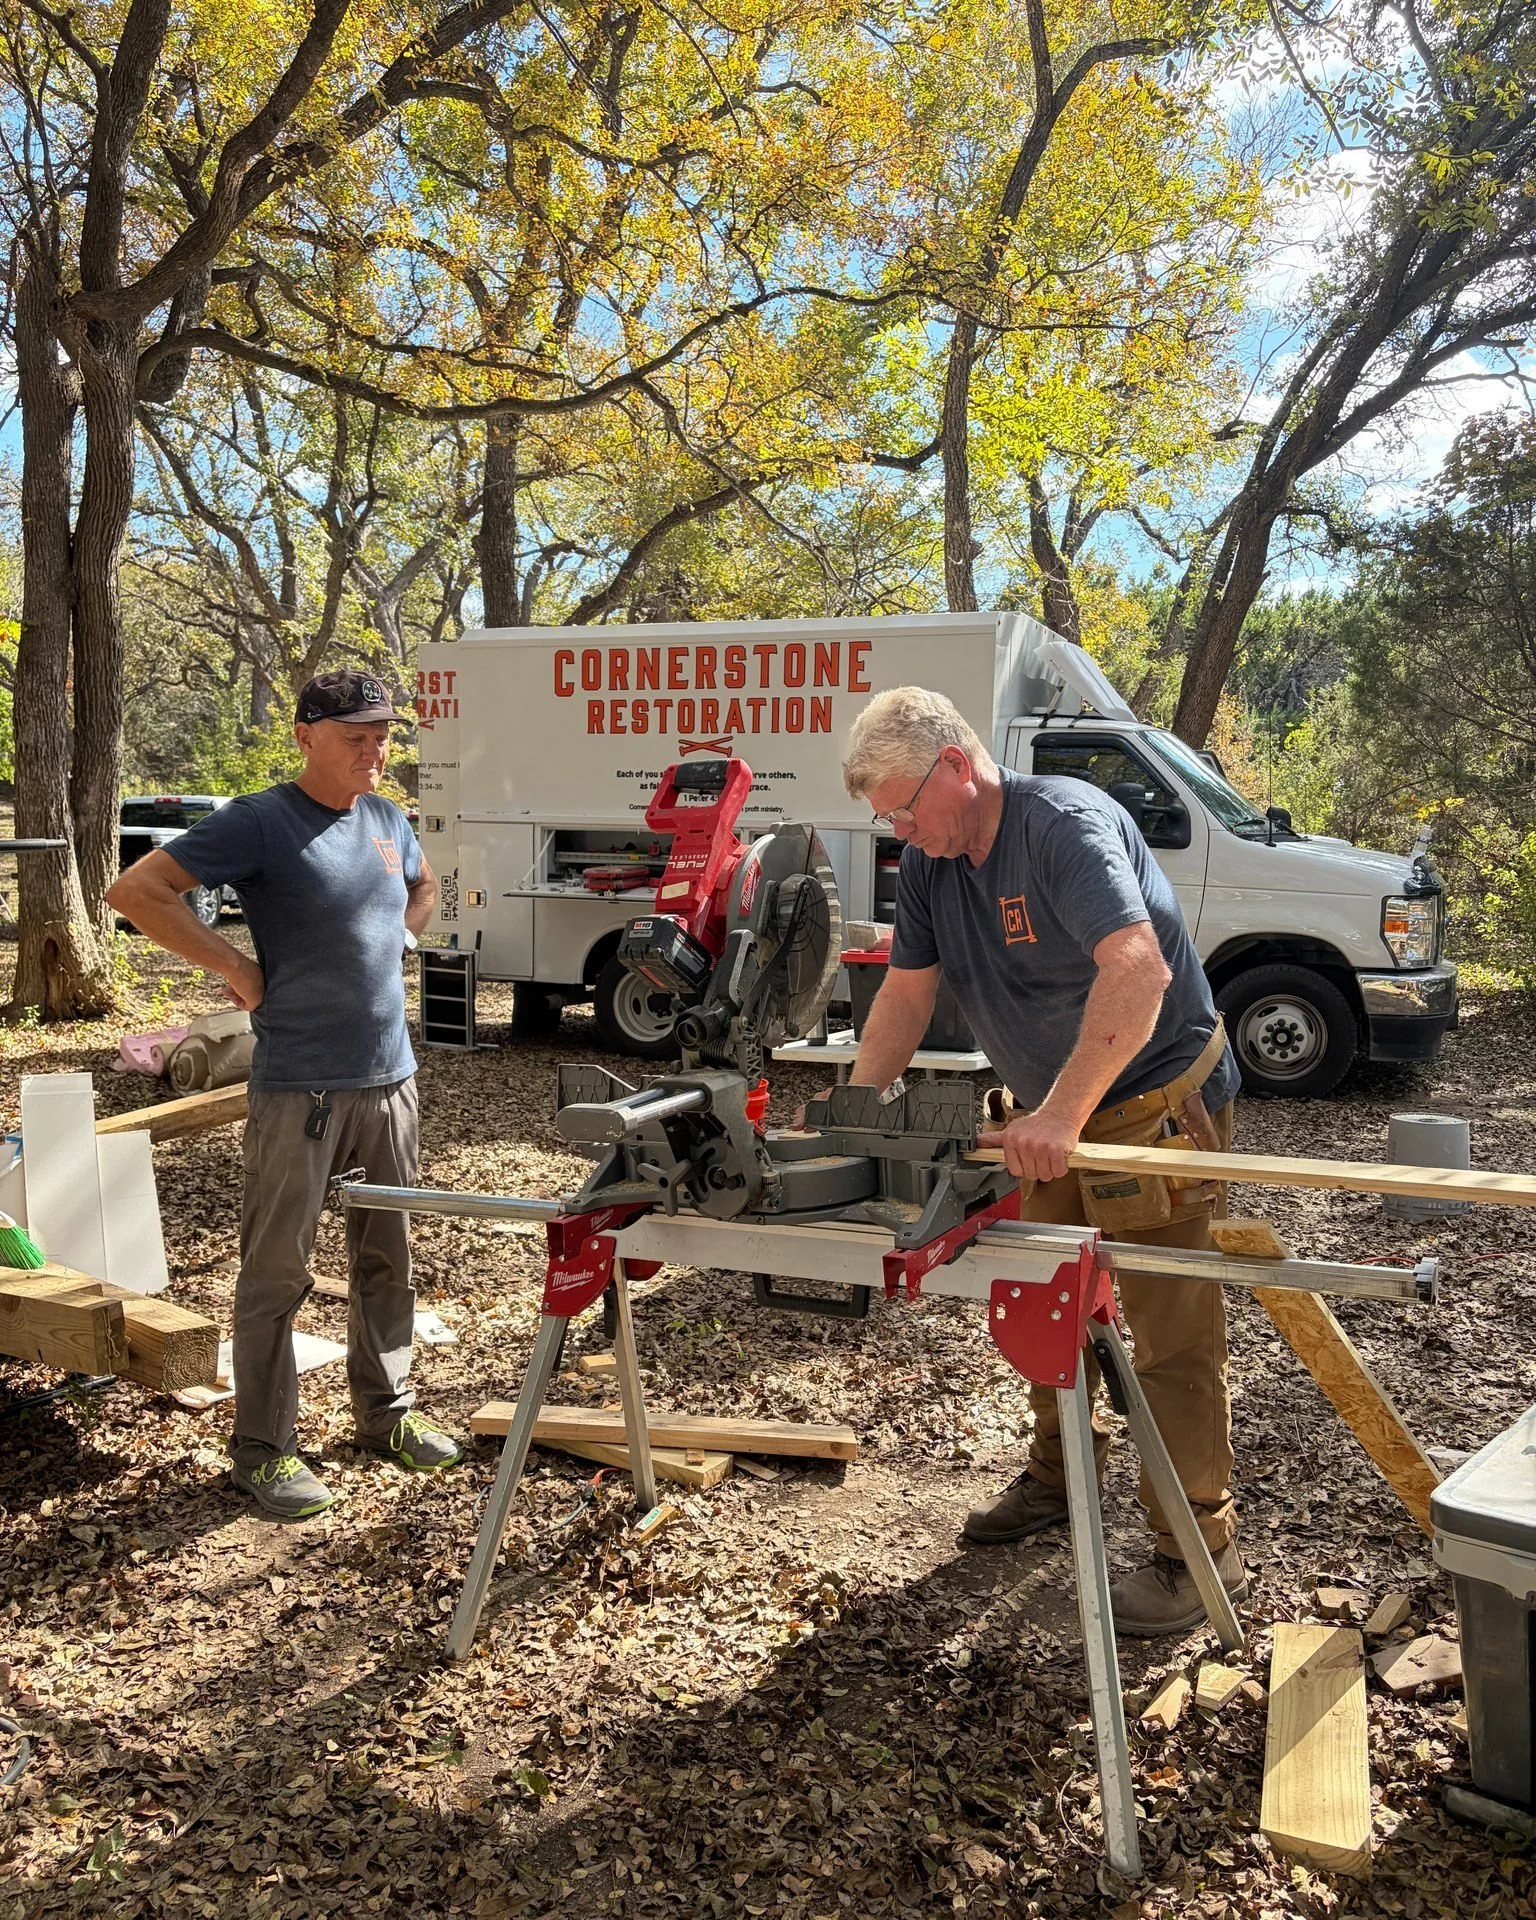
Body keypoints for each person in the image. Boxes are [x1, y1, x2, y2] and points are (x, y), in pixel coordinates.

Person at [840, 686, 1246, 1635]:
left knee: (1170, 1336)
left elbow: (1137, 969)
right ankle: (1059, 1479)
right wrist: (859, 1113)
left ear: (954, 766)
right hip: (1048, 1118)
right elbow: (903, 995)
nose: (897, 830)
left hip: (1152, 1105)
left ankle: (1198, 1551)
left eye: (902, 807)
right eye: (885, 818)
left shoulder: (1061, 825)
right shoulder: (935, 864)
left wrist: (1064, 1111)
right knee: (1045, 1303)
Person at [106, 669, 462, 1521]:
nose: (375, 752)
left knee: (388, 1259)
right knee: (277, 1271)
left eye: (383, 736)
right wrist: (236, 968)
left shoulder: (383, 818)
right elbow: (137, 891)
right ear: (306, 736)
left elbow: (422, 885)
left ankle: (387, 1415)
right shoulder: (261, 819)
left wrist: (395, 945)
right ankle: (264, 1449)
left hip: (391, 1080)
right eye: (355, 738)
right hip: (299, 1085)